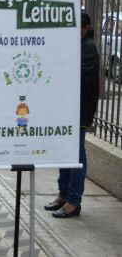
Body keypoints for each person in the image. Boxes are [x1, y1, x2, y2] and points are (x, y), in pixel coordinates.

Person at [45, 12, 99, 218]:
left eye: (77, 28)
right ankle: (63, 195)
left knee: (76, 154)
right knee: (64, 151)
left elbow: (77, 76)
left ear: (85, 29)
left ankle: (74, 201)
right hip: (65, 108)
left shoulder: (88, 48)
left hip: (80, 110)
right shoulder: (71, 45)